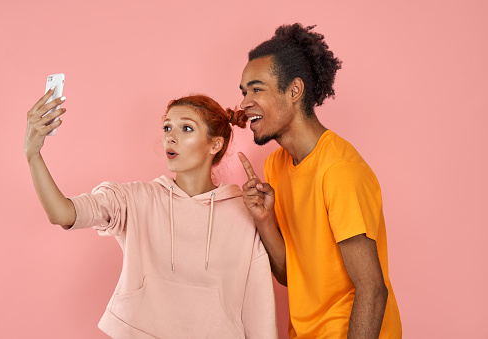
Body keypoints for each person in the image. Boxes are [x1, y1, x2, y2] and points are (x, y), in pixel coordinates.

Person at [24, 90, 278, 338]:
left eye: (186, 128)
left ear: (215, 144)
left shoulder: (244, 212)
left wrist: (263, 218)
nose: (171, 137)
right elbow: (64, 214)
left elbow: (258, 305)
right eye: (167, 128)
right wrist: (33, 155)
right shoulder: (135, 199)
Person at [237, 23, 402, 338]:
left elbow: (372, 289)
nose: (245, 102)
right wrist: (264, 221)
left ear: (295, 90)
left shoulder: (339, 170)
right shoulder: (275, 166)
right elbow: (290, 275)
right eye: (244, 91)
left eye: (257, 89)